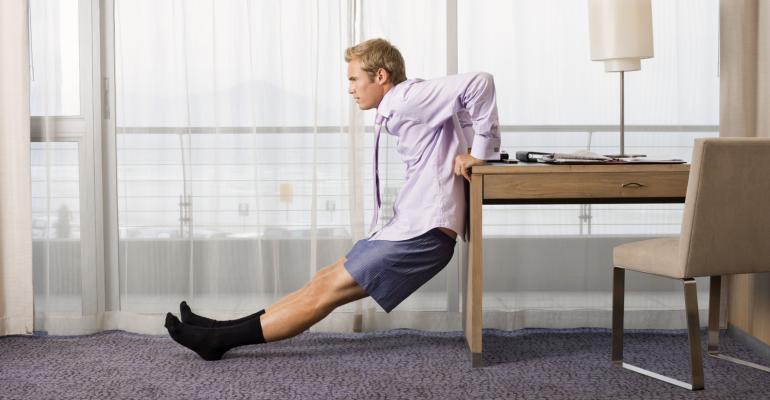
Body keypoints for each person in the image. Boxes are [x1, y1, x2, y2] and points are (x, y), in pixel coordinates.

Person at [164, 38, 501, 360]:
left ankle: (216, 341)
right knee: (323, 280)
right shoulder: (402, 104)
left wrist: (481, 152)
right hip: (409, 228)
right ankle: (220, 328)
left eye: (354, 79)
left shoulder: (406, 97)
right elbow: (462, 113)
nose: (350, 88)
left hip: (421, 237)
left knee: (323, 295)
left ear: (380, 76)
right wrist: (470, 148)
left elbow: (480, 83)